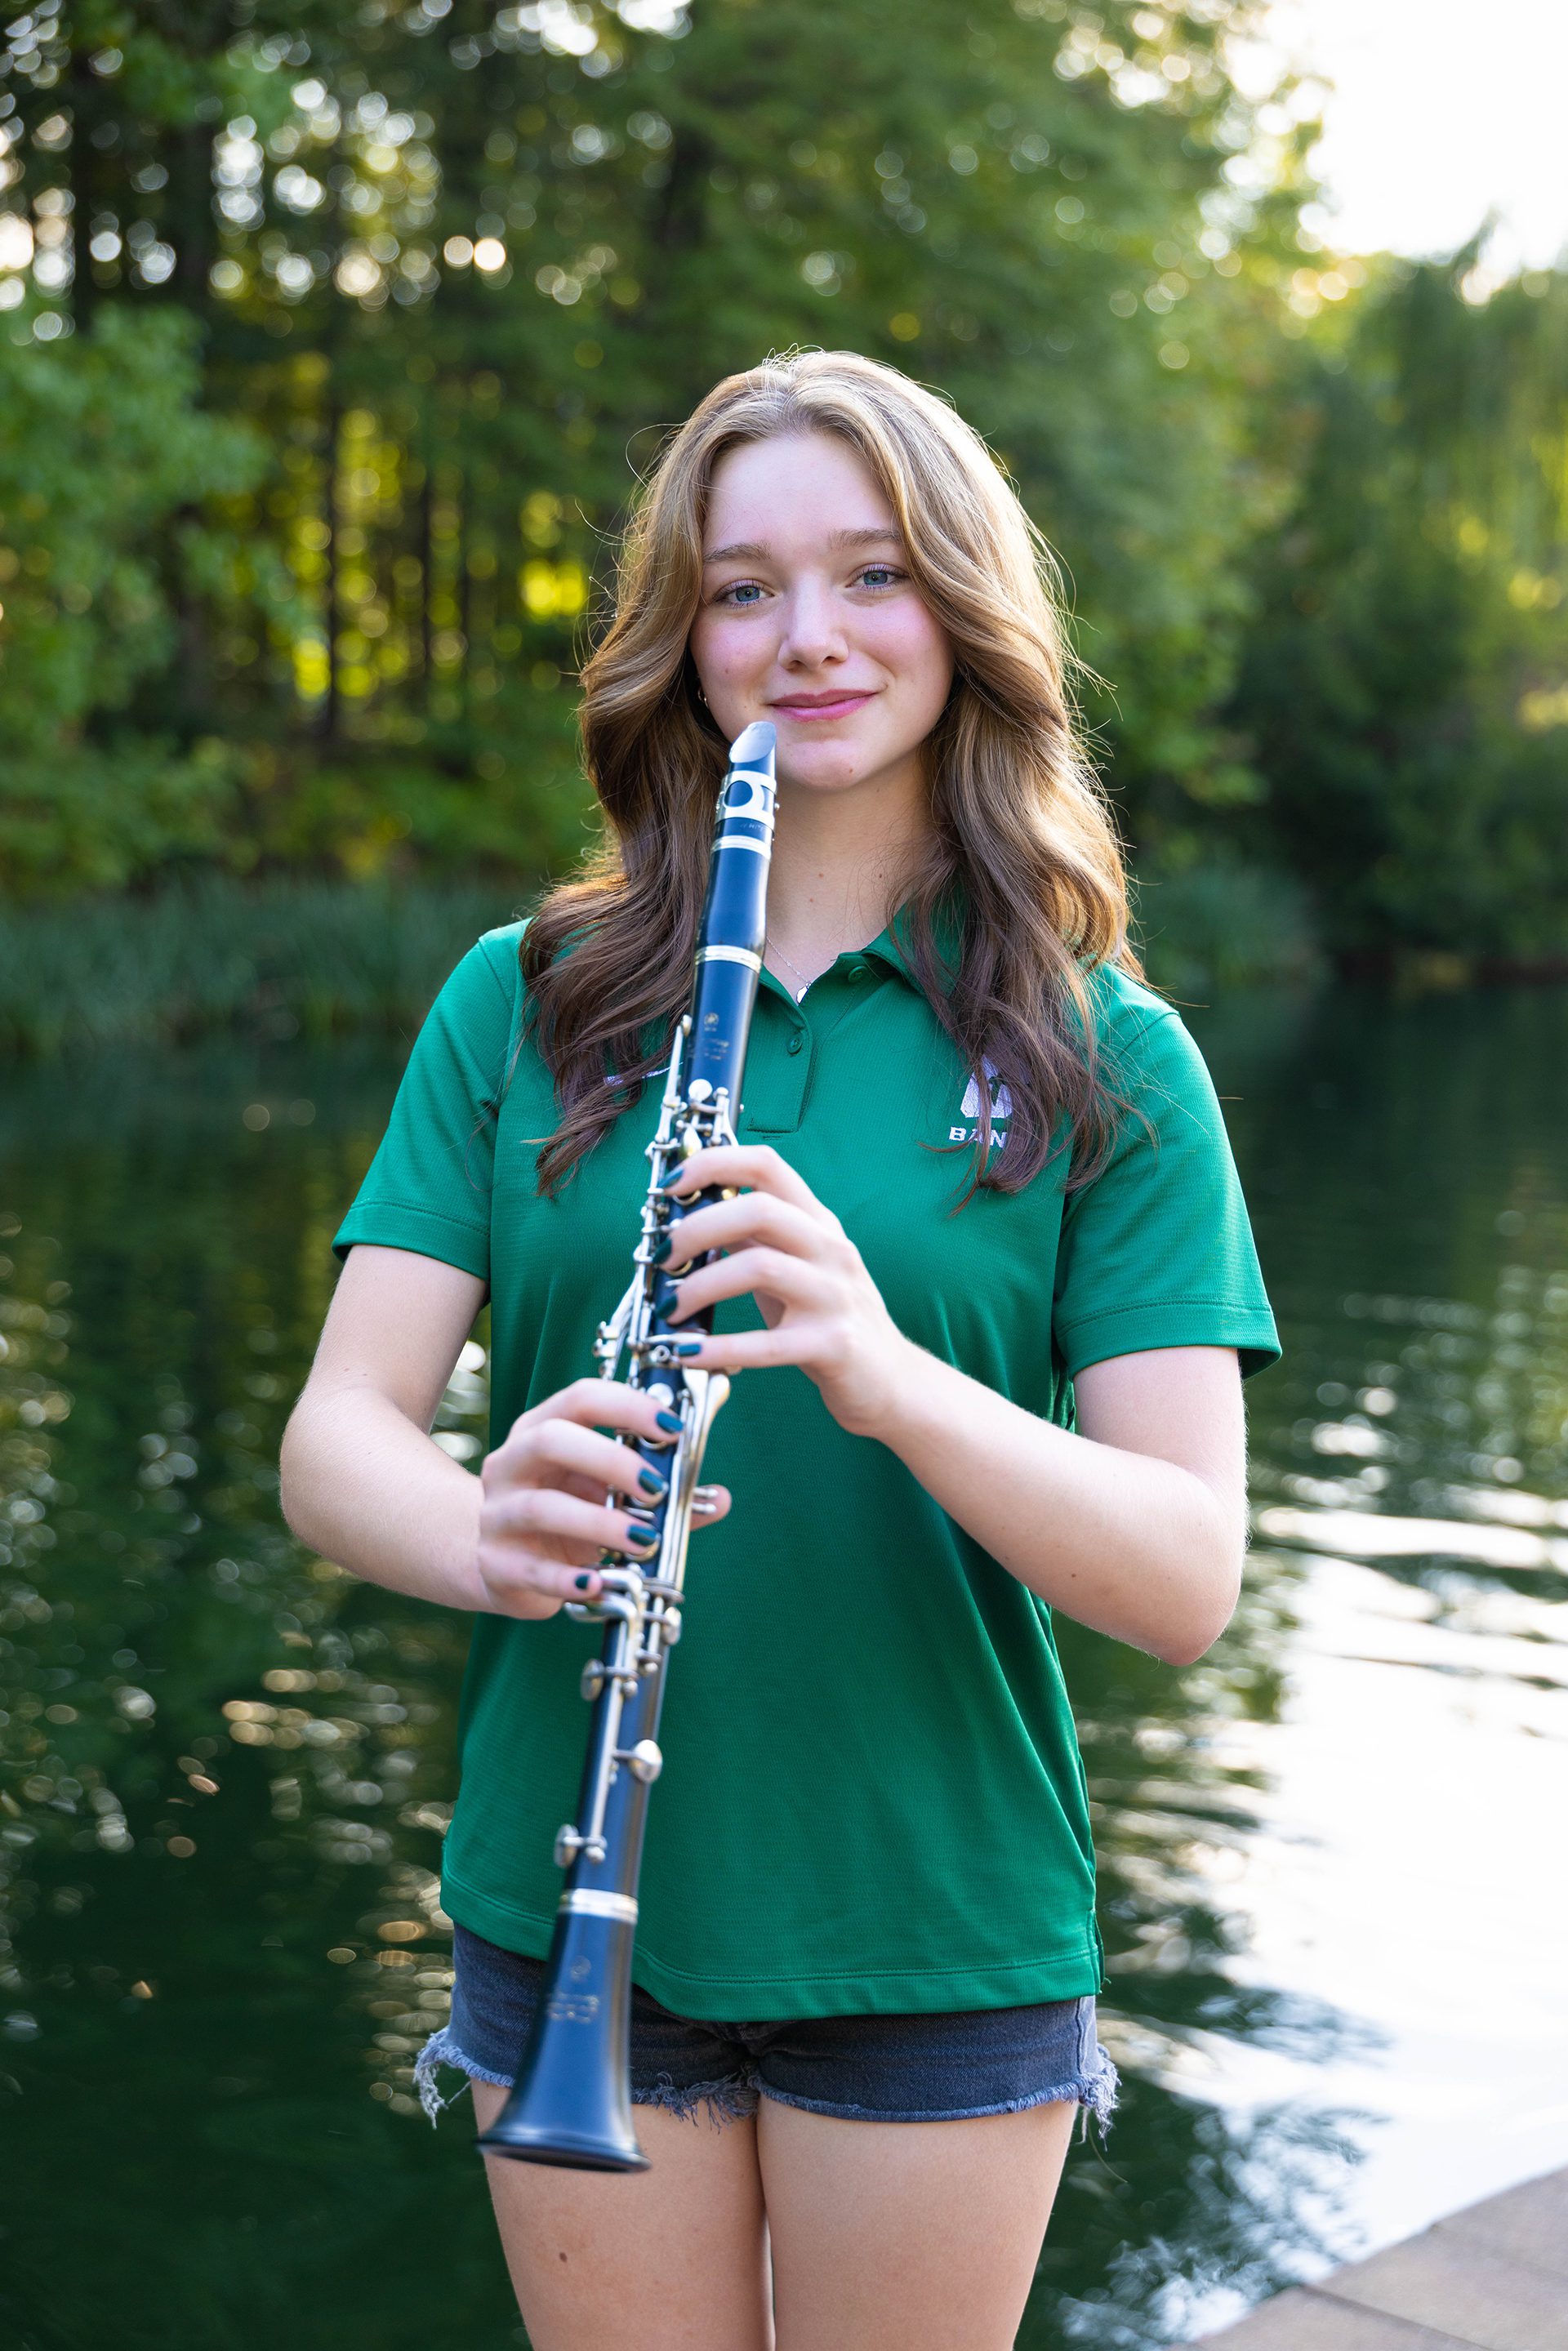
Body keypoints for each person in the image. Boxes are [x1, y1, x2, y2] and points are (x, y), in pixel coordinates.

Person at [280, 349, 1279, 2351]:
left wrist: (887, 1373)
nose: (806, 636)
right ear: (685, 635)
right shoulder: (528, 1003)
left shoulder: (1110, 1057)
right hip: (568, 1906)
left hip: (932, 1920)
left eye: (874, 574)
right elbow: (336, 1440)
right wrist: (483, 1528)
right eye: (743, 588)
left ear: (966, 614)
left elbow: (1183, 1580)